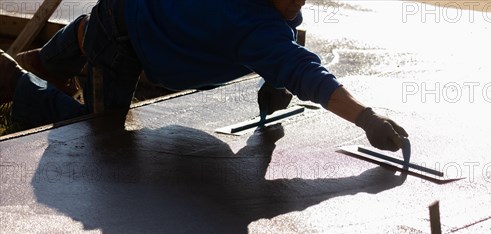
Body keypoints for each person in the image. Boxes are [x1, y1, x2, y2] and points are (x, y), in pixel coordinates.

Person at [0, 0, 408, 151]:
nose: (299, 4)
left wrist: (275, 81)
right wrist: (365, 117)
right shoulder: (249, 24)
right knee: (97, 140)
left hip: (136, 17)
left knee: (112, 20)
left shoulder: (274, 12)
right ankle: (15, 82)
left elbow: (287, 52)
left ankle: (62, 53)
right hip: (123, 38)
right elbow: (305, 71)